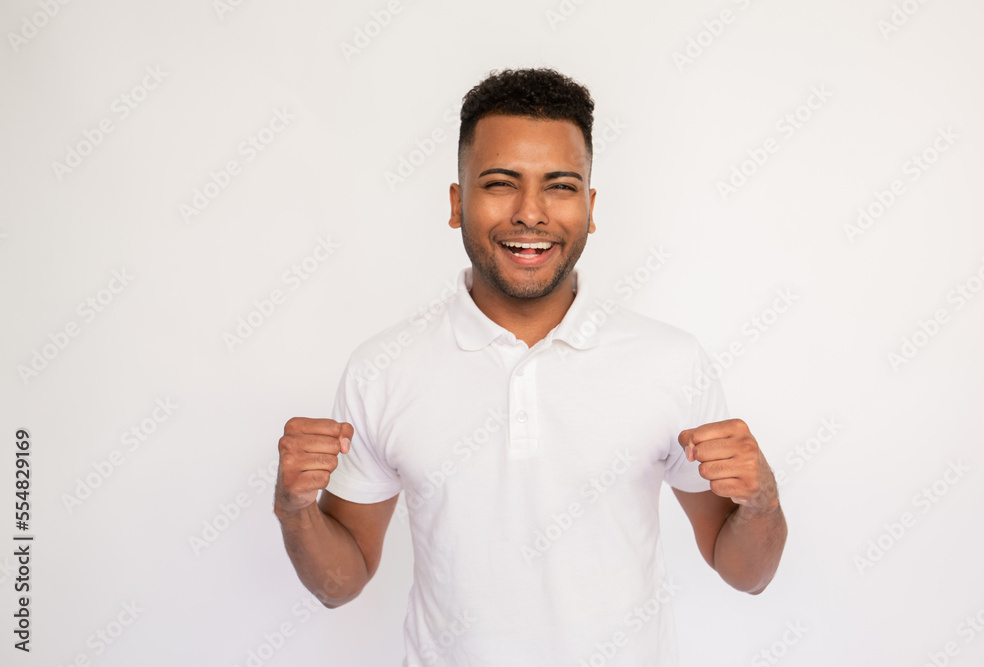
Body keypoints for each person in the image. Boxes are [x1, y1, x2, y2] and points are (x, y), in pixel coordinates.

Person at [274, 67, 787, 665]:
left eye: (560, 186)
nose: (530, 213)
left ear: (590, 208)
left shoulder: (670, 361)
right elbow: (343, 581)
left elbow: (746, 575)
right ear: (456, 202)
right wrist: (295, 511)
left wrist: (763, 503)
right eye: (500, 183)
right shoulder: (383, 369)